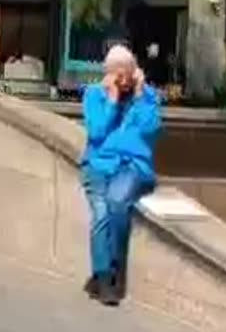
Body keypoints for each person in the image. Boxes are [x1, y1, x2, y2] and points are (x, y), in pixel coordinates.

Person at [80, 44, 162, 306]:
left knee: (117, 202)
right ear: (109, 74)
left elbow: (149, 129)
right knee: (101, 213)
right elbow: (96, 133)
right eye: (118, 75)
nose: (123, 80)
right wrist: (113, 100)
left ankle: (111, 272)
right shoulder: (94, 95)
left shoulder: (147, 97)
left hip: (131, 167)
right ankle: (103, 277)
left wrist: (139, 96)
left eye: (127, 74)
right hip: (98, 166)